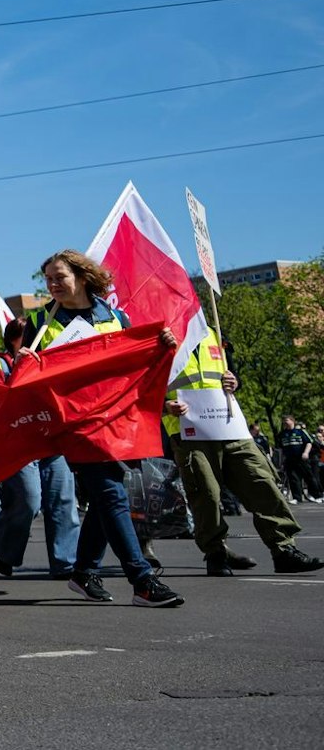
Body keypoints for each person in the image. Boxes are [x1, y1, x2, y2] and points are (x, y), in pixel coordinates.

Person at [17, 249, 183, 608]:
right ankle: (141, 580)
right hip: (75, 422)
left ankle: (83, 572)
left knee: (104, 497)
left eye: (59, 276)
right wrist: (24, 362)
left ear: (82, 276)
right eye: (47, 279)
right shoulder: (41, 321)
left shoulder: (115, 316)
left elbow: (137, 365)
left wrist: (161, 347)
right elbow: (26, 375)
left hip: (114, 420)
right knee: (111, 494)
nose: (52, 284)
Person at [165, 333, 322, 575]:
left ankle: (284, 550)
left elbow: (232, 374)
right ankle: (215, 553)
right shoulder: (160, 336)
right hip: (188, 429)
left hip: (228, 423)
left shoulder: (213, 334)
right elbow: (141, 387)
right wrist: (164, 405)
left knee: (260, 478)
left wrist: (234, 380)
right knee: (206, 492)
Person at [0, 318, 79, 579]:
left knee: (63, 501)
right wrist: (18, 370)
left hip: (51, 441)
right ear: (13, 340)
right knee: (28, 501)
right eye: (26, 334)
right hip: (19, 447)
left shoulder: (48, 360)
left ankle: (65, 564)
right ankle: (6, 553)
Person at [276, 416, 318, 503]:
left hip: (301, 458)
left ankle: (317, 496)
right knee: (293, 478)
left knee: (309, 477)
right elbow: (280, 448)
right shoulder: (282, 434)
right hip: (290, 459)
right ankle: (297, 498)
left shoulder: (300, 432)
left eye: (287, 420)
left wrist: (306, 453)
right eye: (284, 421)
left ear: (292, 421)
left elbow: (309, 443)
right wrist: (282, 459)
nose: (285, 422)